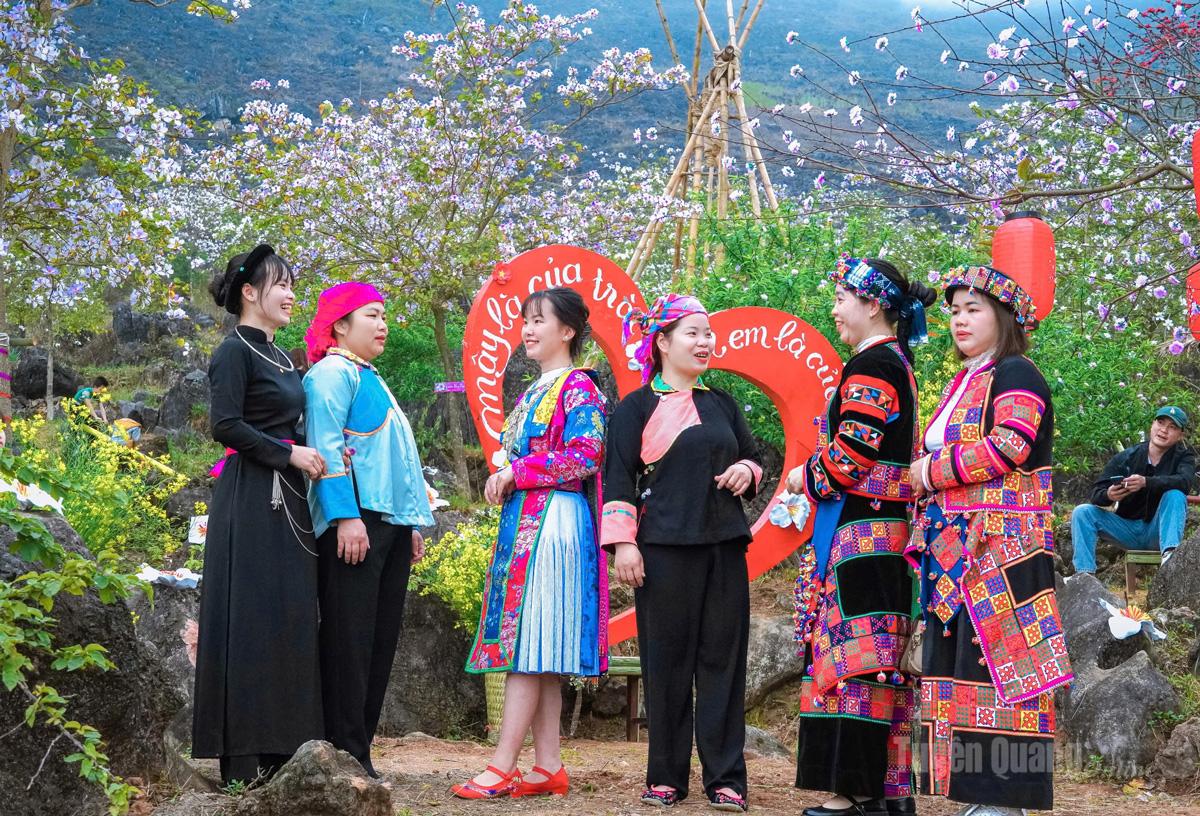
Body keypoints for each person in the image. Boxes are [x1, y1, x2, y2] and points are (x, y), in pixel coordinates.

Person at [906, 265, 1073, 816]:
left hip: (1003, 550)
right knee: (962, 669)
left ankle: (1001, 801)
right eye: (953, 310)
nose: (959, 319)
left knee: (1001, 667)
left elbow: (1011, 444)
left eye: (972, 309)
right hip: (961, 550)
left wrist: (930, 473)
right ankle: (978, 797)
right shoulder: (969, 378)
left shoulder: (1016, 371)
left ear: (1003, 318)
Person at [785, 257, 936, 816]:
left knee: (858, 658)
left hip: (863, 536)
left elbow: (851, 455)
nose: (835, 309)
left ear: (873, 304)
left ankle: (858, 793)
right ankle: (886, 790)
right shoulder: (895, 362)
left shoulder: (873, 366)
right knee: (878, 657)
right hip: (880, 531)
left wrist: (807, 476)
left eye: (842, 297)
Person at [603, 293, 762, 813]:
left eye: (708, 333)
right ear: (662, 342)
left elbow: (753, 457)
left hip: (723, 548)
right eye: (693, 332)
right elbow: (618, 477)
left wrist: (748, 472)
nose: (704, 342)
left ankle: (726, 779)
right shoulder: (635, 408)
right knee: (666, 664)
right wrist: (624, 543)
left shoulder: (722, 403)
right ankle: (666, 777)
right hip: (663, 551)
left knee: (723, 662)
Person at [454, 287, 608, 800]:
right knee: (539, 644)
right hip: (530, 520)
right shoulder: (534, 391)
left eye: (539, 321)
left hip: (554, 520)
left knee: (527, 642)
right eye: (525, 320)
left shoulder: (579, 389)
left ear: (568, 331)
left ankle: (502, 765)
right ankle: (548, 766)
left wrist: (518, 471)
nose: (528, 329)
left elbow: (586, 455)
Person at [192, 243, 327, 787]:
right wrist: (287, 452)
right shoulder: (233, 352)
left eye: (293, 284)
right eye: (281, 285)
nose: (292, 294)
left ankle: (282, 751)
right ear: (250, 293)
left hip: (289, 497)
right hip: (249, 496)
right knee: (249, 619)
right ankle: (240, 759)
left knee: (288, 617)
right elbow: (224, 425)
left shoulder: (282, 354)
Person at [303, 282, 435, 779]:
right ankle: (341, 754)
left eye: (384, 315)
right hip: (354, 525)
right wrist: (345, 516)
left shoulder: (366, 374)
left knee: (378, 642)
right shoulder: (331, 375)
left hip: (386, 525)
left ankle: (358, 752)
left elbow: (392, 460)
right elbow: (326, 447)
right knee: (349, 641)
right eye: (372, 315)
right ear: (340, 324)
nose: (383, 325)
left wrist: (409, 522)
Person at [1071, 406, 1195, 573]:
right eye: (1160, 422)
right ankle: (1084, 575)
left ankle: (1170, 560)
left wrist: (1146, 482)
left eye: (1172, 427)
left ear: (1180, 435)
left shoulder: (1183, 457)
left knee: (1175, 495)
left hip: (1157, 532)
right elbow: (1096, 492)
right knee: (1082, 512)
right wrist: (1109, 494)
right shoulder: (1129, 456)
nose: (1164, 430)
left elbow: (1185, 482)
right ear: (1152, 425)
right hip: (1125, 530)